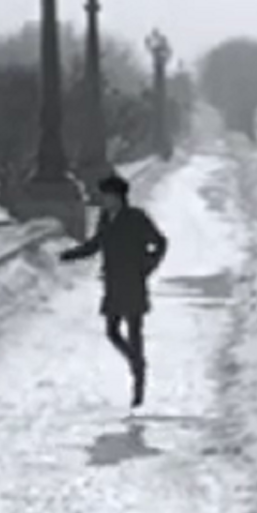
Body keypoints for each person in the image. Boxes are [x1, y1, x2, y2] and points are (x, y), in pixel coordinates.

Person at [58, 173, 168, 407]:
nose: (104, 200)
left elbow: (160, 242)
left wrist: (147, 266)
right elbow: (96, 244)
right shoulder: (105, 218)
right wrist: (70, 254)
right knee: (112, 331)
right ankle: (136, 362)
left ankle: (139, 384)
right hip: (113, 282)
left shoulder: (136, 218)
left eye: (107, 196)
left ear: (118, 197)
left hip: (133, 282)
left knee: (135, 332)